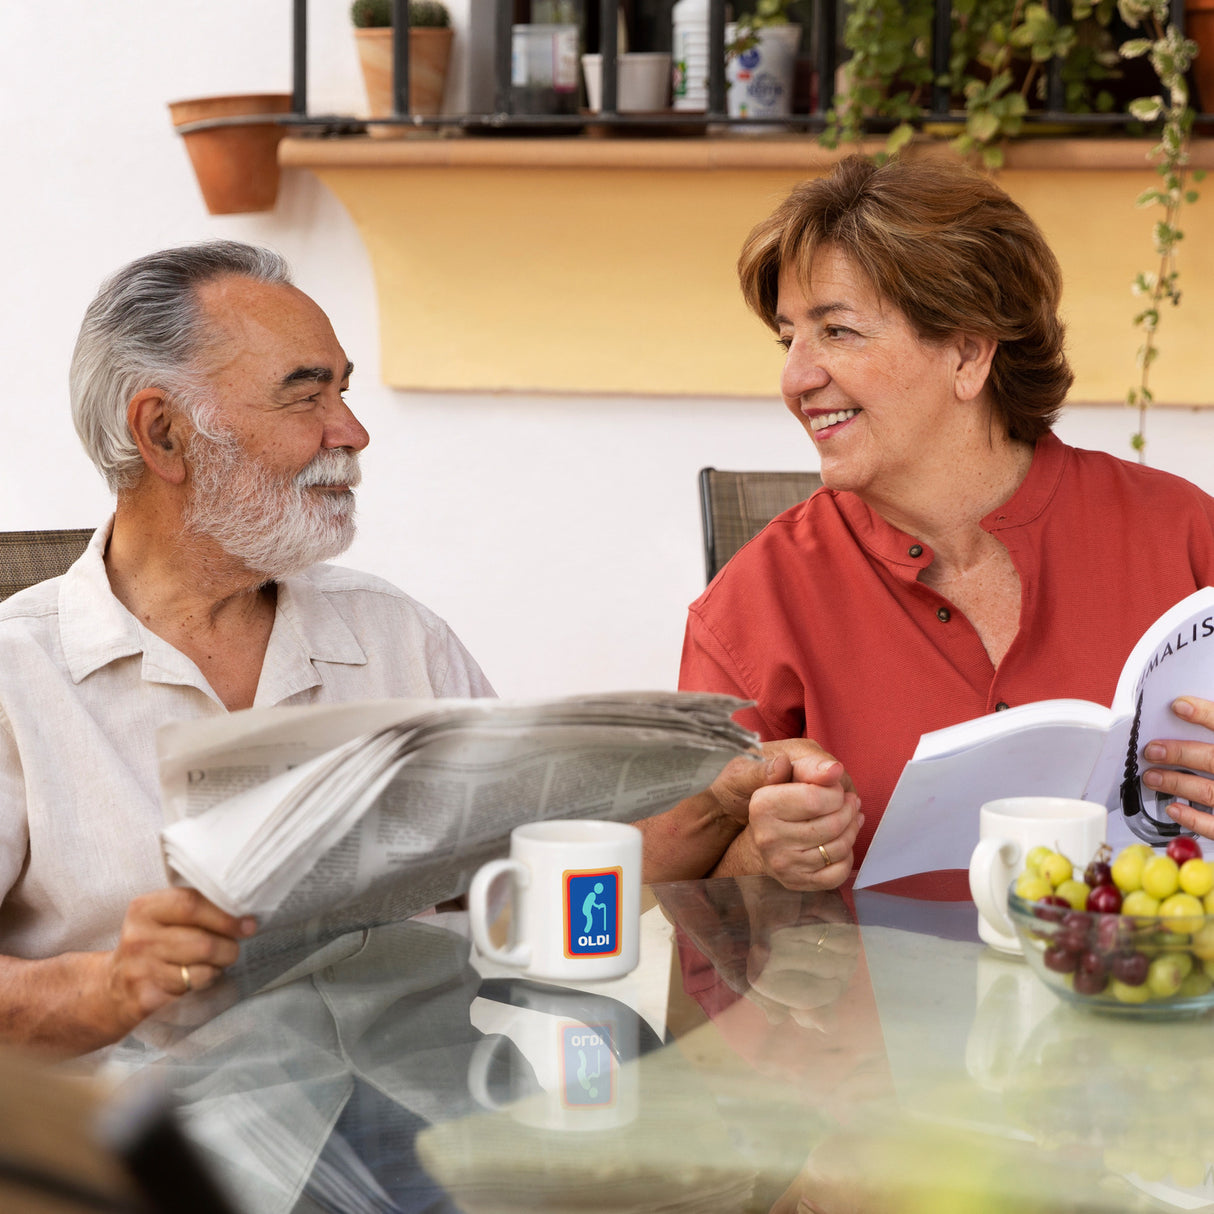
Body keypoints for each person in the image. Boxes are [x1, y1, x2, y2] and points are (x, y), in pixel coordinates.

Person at [0, 240, 815, 1056]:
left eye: (343, 391)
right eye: (304, 396)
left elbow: (533, 893)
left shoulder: (395, 637)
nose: (351, 432)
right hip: (136, 1148)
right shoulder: (18, 676)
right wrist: (110, 987)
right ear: (164, 433)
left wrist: (725, 800)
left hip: (412, 1118)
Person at [666, 153, 1214, 897]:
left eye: (837, 332)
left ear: (967, 352)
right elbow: (674, 910)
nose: (795, 379)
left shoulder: (1183, 537)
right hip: (878, 1013)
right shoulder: (753, 604)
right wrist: (765, 860)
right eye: (788, 339)